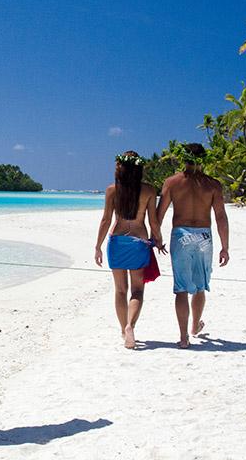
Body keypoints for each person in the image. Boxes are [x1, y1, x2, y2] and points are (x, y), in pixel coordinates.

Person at [156, 143, 230, 348]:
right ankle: (195, 326)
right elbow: (221, 217)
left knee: (181, 288)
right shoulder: (213, 184)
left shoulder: (172, 182)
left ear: (183, 158)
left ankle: (183, 337)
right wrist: (225, 247)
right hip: (204, 236)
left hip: (181, 235)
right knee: (199, 286)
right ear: (203, 160)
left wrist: (156, 237)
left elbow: (160, 213)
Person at [95, 151, 164, 349]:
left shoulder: (112, 190)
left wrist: (98, 246)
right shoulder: (149, 191)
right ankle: (130, 326)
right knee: (137, 290)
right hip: (138, 242)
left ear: (121, 168)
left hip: (117, 242)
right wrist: (158, 240)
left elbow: (106, 220)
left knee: (120, 290)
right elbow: (153, 221)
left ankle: (122, 329)